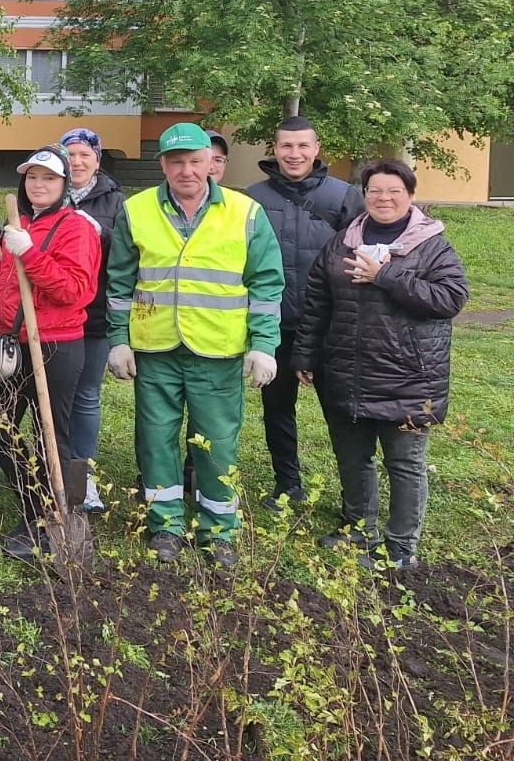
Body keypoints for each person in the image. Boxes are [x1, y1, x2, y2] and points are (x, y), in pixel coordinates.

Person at [104, 122, 285, 566]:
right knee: (156, 439)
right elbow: (119, 282)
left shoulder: (245, 213)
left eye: (195, 161)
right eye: (176, 161)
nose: (186, 170)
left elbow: (266, 284)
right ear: (163, 164)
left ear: (211, 163)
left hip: (218, 352)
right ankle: (164, 525)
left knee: (217, 441)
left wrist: (263, 344)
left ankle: (219, 528)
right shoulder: (136, 210)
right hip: (156, 349)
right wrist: (118, 340)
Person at [293, 159, 468, 570]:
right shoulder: (343, 242)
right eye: (375, 191)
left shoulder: (432, 245)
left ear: (410, 195)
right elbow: (317, 302)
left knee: (404, 463)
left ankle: (401, 544)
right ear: (364, 195)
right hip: (348, 372)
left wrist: (385, 276)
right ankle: (358, 527)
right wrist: (305, 353)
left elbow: (450, 299)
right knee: (353, 457)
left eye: (393, 191)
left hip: (408, 376)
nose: (383, 198)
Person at [0, 145, 102, 560]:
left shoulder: (76, 228)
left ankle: (61, 517)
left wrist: (29, 252)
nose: (39, 185)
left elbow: (73, 290)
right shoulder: (18, 224)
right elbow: (2, 287)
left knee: (53, 435)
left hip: (56, 347)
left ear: (65, 183)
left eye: (48, 178)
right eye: (33, 178)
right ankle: (35, 508)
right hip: (13, 347)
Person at [245, 115, 362, 507]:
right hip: (273, 326)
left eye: (302, 146)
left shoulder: (344, 197)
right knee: (277, 411)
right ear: (274, 150)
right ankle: (287, 485)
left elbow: (360, 260)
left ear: (316, 149)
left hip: (329, 328)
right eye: (285, 146)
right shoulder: (253, 199)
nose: (294, 154)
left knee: (342, 416)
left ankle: (355, 499)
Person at [59, 128, 125, 516]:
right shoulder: (48, 191)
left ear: (97, 161)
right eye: (70, 154)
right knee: (54, 397)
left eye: (85, 154)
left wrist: (99, 231)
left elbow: (127, 252)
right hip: (55, 316)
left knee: (85, 395)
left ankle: (84, 476)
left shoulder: (116, 201)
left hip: (94, 314)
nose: (77, 161)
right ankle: (52, 467)